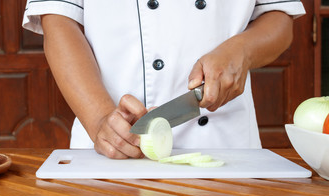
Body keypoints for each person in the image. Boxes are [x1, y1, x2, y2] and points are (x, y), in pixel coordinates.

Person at [23, 0, 305, 159]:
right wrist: (99, 120)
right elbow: (58, 20)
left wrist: (241, 51)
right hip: (111, 151)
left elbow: (278, 16)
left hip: (224, 149)